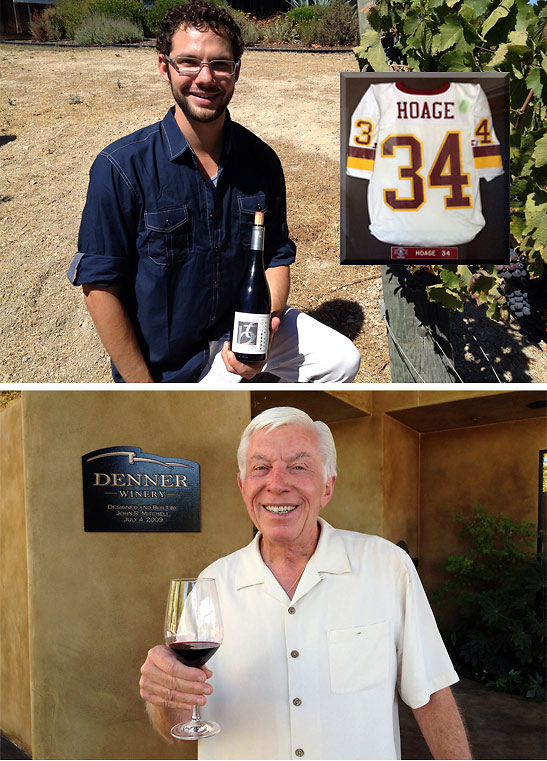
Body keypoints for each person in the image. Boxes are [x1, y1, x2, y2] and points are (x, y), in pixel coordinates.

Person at [139, 407, 472, 760]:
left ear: (328, 486)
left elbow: (432, 696)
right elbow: (176, 728)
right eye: (260, 467)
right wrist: (162, 694)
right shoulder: (212, 584)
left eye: (298, 467)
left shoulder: (387, 566)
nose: (277, 483)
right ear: (242, 486)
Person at [67, 1, 361, 384]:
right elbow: (99, 285)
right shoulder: (120, 167)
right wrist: (145, 390)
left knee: (341, 359)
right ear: (164, 66)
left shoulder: (261, 162)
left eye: (220, 64)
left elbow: (275, 255)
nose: (205, 78)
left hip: (238, 335)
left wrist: (261, 337)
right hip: (167, 367)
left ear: (236, 71)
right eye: (188, 62)